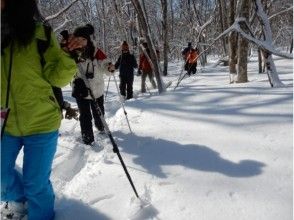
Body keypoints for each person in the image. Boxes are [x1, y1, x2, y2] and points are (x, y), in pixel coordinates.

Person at [0, 0, 86, 219]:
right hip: (5, 122)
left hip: (41, 121)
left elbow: (56, 77)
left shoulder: (40, 34)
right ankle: (19, 202)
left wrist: (69, 56)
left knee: (35, 183)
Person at [70, 24, 114, 145]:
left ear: (88, 40)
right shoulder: (70, 53)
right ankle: (87, 138)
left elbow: (105, 64)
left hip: (97, 89)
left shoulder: (96, 52)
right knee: (85, 116)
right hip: (81, 90)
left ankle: (100, 127)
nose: (80, 42)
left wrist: (109, 68)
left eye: (83, 39)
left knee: (98, 112)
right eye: (77, 39)